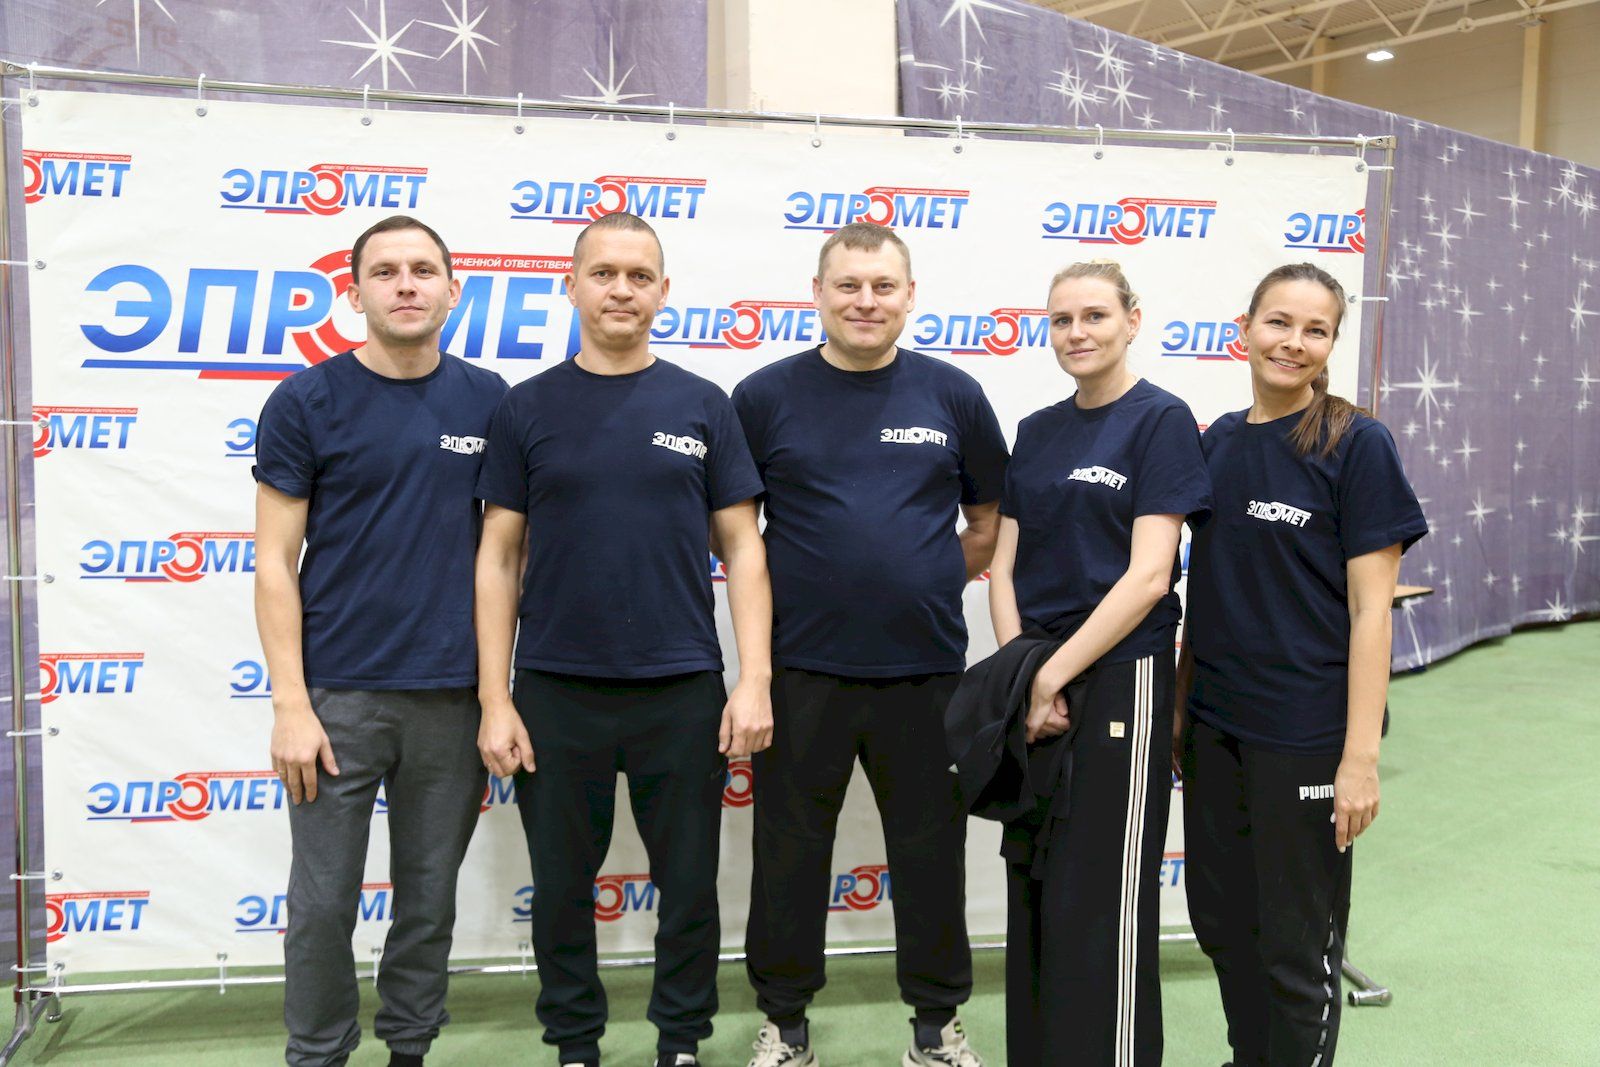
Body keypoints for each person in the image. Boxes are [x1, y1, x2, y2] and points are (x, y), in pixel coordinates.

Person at [474, 211, 772, 1067]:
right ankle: (576, 1042)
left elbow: (745, 547)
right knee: (562, 887)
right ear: (571, 285)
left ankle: (680, 1040)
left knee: (690, 884)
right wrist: (495, 697)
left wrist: (754, 677)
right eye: (603, 273)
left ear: (663, 291)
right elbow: (497, 556)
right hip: (555, 687)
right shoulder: (525, 407)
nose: (621, 290)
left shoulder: (704, 404)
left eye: (639, 276)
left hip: (680, 686)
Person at [732, 222, 1009, 1067]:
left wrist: (920, 574)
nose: (865, 300)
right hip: (800, 672)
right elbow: (735, 535)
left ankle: (935, 1029)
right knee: (788, 856)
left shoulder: (954, 394)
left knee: (931, 856)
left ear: (910, 296)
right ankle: (785, 1026)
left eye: (883, 286)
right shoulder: (763, 397)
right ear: (817, 293)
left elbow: (988, 523)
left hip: (926, 673)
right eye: (848, 285)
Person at [254, 215, 508, 1067]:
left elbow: (507, 555)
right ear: (355, 291)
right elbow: (274, 562)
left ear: (452, 291)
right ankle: (318, 1053)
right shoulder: (305, 402)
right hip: (337, 699)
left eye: (424, 270)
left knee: (428, 901)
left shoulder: (491, 400)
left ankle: (409, 1049)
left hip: (452, 696)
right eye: (386, 271)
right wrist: (291, 704)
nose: (406, 284)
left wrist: (496, 695)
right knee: (322, 904)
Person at [1177, 262, 1427, 1067]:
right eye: (1278, 322)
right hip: (1215, 726)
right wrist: (1182, 713)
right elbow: (1209, 591)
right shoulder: (1216, 442)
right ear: (1244, 329)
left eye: (1315, 330)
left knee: (1295, 943)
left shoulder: (1357, 445)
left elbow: (1371, 613)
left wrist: (1360, 758)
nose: (1293, 342)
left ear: (1331, 345)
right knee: (1222, 923)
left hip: (1305, 733)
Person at [986, 260, 1212, 1067]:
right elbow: (1003, 567)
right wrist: (1024, 675)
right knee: (1036, 888)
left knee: (1102, 900)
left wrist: (1051, 677)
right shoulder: (1037, 430)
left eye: (1094, 316)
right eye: (1061, 319)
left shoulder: (1161, 420)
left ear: (1132, 320)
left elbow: (1149, 576)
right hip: (1035, 682)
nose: (1076, 333)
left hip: (1122, 677)